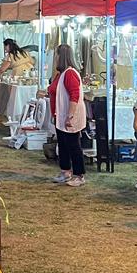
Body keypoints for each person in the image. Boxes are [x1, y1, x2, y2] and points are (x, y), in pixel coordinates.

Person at [46, 44, 86, 187]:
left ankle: (79, 174)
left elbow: (74, 95)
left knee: (73, 145)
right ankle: (65, 171)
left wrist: (70, 116)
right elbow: (55, 90)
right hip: (60, 115)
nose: (54, 58)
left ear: (60, 56)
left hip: (69, 116)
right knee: (63, 144)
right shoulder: (61, 74)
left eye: (56, 55)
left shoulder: (70, 73)